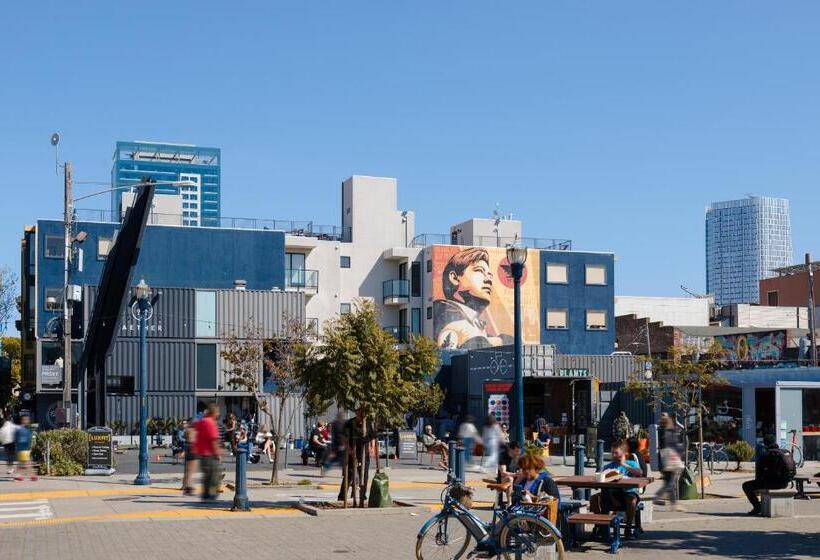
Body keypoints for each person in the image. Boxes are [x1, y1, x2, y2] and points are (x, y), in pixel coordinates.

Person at [434, 247, 511, 349]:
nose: (489, 279)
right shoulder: (444, 317)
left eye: (489, 275)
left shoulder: (474, 326)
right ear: (454, 278)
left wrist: (500, 340)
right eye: (479, 271)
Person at [591, 440, 642, 537]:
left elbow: (639, 473)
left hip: (627, 493)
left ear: (623, 452)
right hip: (611, 495)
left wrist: (623, 464)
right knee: (594, 499)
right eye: (612, 453)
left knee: (631, 500)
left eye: (616, 453)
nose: (613, 455)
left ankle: (628, 527)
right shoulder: (608, 466)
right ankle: (601, 525)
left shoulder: (631, 463)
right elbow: (600, 482)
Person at [742, 435, 796, 515]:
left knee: (746, 485)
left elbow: (759, 474)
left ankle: (757, 507)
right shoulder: (784, 452)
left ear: (765, 444)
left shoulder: (766, 455)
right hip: (785, 483)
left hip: (771, 484)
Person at [338, 410, 376, 505]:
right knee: (349, 473)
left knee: (364, 474)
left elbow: (372, 437)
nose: (362, 415)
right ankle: (342, 495)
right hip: (352, 450)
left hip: (364, 451)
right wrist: (349, 449)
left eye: (363, 413)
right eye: (360, 413)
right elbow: (343, 438)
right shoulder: (350, 423)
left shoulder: (367, 423)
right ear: (356, 413)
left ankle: (363, 494)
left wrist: (372, 447)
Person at [654, 413, 684, 509]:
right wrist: (681, 449)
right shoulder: (669, 432)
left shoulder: (661, 431)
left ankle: (674, 505)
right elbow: (673, 445)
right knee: (670, 482)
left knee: (669, 481)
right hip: (670, 459)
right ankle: (658, 496)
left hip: (663, 458)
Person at [194, 404, 222, 501]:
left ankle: (205, 494)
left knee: (206, 475)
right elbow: (213, 440)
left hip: (201, 453)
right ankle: (212, 493)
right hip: (210, 453)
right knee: (214, 474)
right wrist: (217, 454)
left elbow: (195, 431)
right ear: (213, 412)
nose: (219, 414)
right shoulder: (211, 423)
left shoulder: (202, 422)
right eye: (217, 412)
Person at [13, 415, 36, 482]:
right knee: (26, 462)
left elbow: (29, 439)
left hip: (26, 449)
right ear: (22, 420)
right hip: (22, 449)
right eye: (25, 419)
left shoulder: (26, 429)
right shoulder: (20, 430)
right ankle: (32, 475)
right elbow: (18, 440)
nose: (27, 421)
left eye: (27, 419)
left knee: (23, 463)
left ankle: (18, 475)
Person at [182, 417, 197, 496]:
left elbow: (185, 438)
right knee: (191, 470)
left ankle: (186, 486)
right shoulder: (194, 430)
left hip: (187, 447)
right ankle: (189, 487)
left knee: (188, 469)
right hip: (193, 448)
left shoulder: (187, 430)